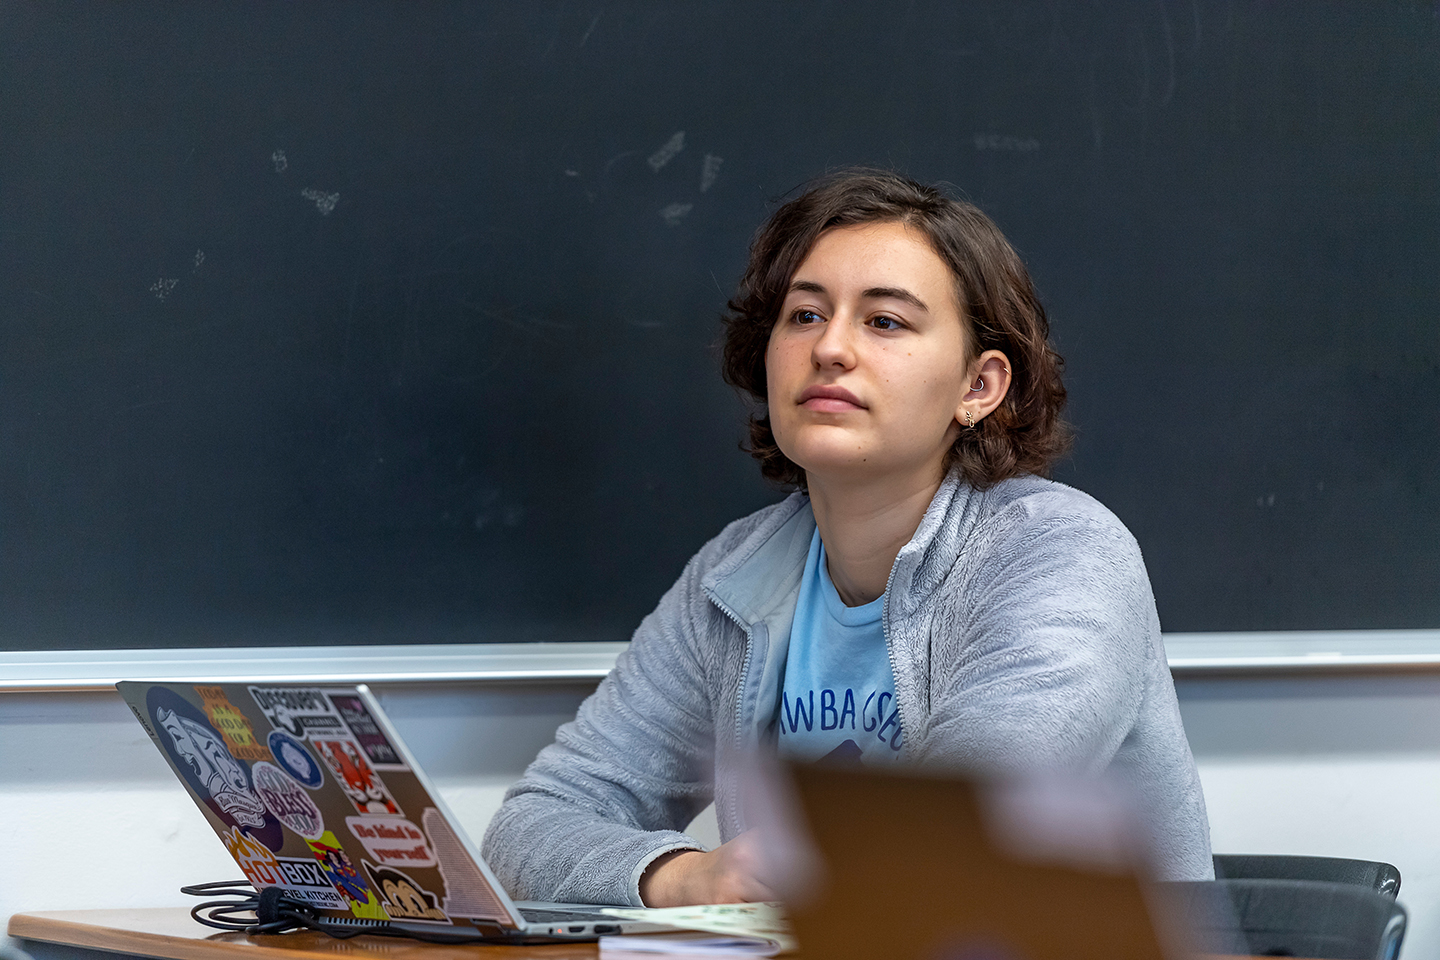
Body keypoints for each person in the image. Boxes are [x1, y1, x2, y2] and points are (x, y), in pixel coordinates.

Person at [480, 170, 1212, 907]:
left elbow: (957, 827)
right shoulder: (737, 575)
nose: (830, 348)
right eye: (803, 316)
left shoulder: (1061, 551)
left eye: (884, 322)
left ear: (979, 387)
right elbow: (533, 825)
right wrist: (686, 876)